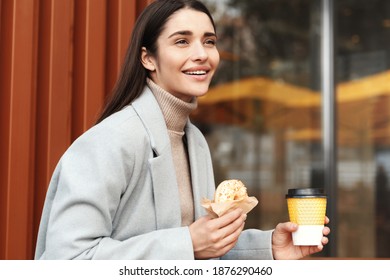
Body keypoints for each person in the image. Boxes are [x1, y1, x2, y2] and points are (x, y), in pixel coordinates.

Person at [34, 0, 330, 260]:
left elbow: (199, 252)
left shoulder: (194, 141)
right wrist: (186, 243)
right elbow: (67, 259)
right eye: (182, 41)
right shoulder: (109, 141)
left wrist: (268, 248)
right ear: (148, 57)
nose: (202, 54)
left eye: (209, 41)